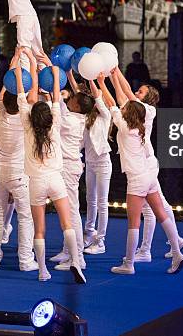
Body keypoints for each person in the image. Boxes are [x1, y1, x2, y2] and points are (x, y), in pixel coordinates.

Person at [97, 70, 183, 275]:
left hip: (137, 178)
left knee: (134, 223)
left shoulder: (125, 124)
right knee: (161, 213)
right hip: (148, 174)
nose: (134, 94)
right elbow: (121, 99)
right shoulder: (139, 124)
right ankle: (178, 252)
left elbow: (113, 102)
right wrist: (110, 78)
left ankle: (129, 264)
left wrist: (103, 82)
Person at [15, 56, 85, 284]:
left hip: (36, 182)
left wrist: (23, 72)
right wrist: (55, 74)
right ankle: (76, 260)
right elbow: (56, 96)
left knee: (40, 229)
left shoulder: (27, 125)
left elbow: (21, 96)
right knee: (67, 224)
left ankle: (43, 270)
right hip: (56, 180)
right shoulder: (55, 122)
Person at [0, 48, 37, 271]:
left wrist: (14, 62)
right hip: (18, 173)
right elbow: (28, 93)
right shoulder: (25, 117)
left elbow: (3, 93)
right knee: (25, 217)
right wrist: (29, 68)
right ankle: (25, 260)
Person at [48, 66, 94, 271]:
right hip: (68, 166)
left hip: (68, 168)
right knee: (68, 211)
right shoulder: (77, 115)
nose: (71, 98)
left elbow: (58, 106)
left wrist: (55, 81)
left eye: (73, 99)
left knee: (71, 211)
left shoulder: (69, 121)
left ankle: (78, 257)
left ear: (76, 106)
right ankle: (68, 251)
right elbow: (60, 103)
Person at [83, 75, 113, 255]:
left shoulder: (105, 115)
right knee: (90, 200)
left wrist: (91, 79)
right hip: (90, 163)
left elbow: (97, 98)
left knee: (102, 202)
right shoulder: (86, 118)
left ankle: (100, 241)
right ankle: (89, 233)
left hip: (103, 163)